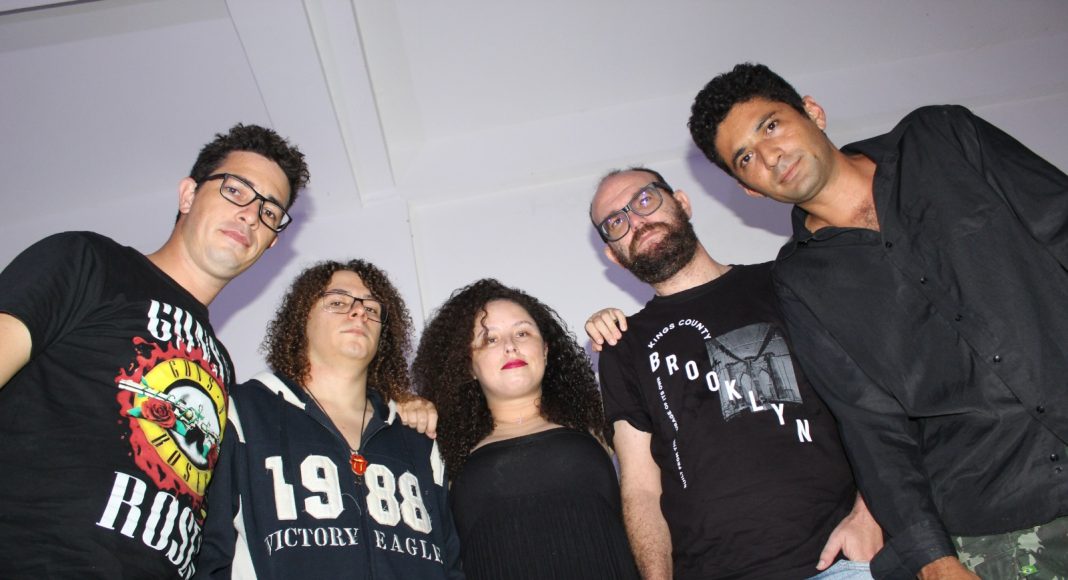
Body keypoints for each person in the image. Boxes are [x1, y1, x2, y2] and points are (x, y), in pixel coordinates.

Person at [687, 62, 1068, 580]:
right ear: (749, 189)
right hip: (1002, 520)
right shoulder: (800, 283)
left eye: (771, 125)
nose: (770, 156)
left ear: (812, 112)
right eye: (747, 158)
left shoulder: (941, 138)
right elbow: (870, 426)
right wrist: (933, 559)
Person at [0, 124, 308, 579]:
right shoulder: (88, 260)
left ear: (271, 241)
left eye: (269, 211)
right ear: (188, 195)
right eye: (235, 190)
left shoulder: (221, 365)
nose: (250, 215)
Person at [586, 167, 882, 580]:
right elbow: (640, 487)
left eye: (645, 199)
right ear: (614, 255)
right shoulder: (622, 346)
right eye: (616, 221)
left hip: (839, 563)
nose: (635, 220)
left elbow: (870, 401)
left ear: (682, 203)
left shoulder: (782, 282)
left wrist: (870, 514)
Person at [195, 259, 463, 579]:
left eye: (371, 308)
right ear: (302, 318)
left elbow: (450, 565)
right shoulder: (243, 414)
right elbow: (208, 551)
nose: (359, 312)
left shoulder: (417, 438)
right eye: (338, 302)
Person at [412, 279, 639, 580]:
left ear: (545, 349)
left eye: (522, 333)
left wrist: (624, 334)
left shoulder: (598, 424)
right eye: (490, 339)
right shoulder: (441, 450)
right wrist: (402, 405)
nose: (510, 346)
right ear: (468, 366)